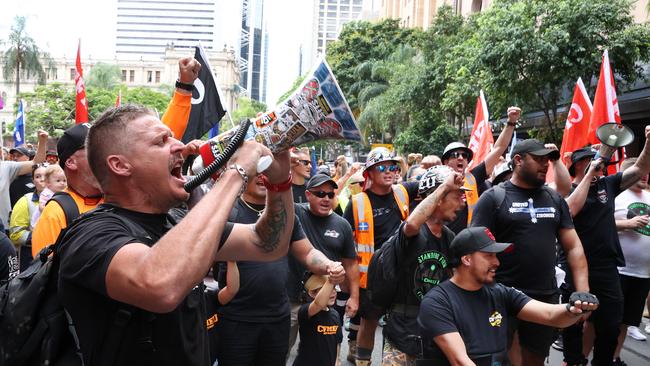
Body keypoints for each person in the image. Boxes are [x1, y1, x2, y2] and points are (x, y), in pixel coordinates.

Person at [57, 104, 295, 366]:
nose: (180, 146)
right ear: (120, 165)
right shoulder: (90, 235)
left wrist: (280, 181)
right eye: (161, 140)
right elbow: (161, 285)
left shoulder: (177, 221)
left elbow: (268, 243)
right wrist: (235, 173)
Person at [470, 139, 589, 366]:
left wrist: (584, 292)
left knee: (535, 357)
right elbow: (475, 246)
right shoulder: (493, 197)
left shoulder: (554, 199)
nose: (545, 165)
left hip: (544, 295)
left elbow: (573, 247)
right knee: (497, 357)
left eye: (547, 160)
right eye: (538, 159)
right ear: (518, 160)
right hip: (501, 293)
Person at [417, 226, 599, 366]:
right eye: (489, 256)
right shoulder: (437, 302)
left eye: (496, 256)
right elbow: (460, 361)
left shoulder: (500, 292)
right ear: (467, 259)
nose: (496, 262)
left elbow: (551, 315)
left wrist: (573, 309)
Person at [215, 173, 344, 366]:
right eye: (256, 171)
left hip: (277, 318)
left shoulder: (284, 216)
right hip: (237, 318)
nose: (262, 177)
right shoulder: (227, 212)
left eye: (267, 170)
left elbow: (307, 253)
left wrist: (329, 265)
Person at [563, 127, 650, 366]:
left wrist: (649, 143)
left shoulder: (608, 185)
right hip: (576, 267)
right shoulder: (567, 191)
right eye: (590, 161)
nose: (598, 163)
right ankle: (573, 361)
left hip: (607, 268)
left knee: (611, 323)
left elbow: (641, 168)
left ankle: (602, 361)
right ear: (578, 166)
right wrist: (591, 173)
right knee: (574, 319)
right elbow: (571, 209)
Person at [381, 165, 466, 365]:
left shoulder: (449, 238)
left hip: (434, 332)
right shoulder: (413, 231)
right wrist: (444, 187)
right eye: (456, 196)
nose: (461, 204)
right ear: (439, 198)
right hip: (401, 334)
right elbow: (411, 225)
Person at [343, 146, 419, 365]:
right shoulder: (356, 203)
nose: (389, 171)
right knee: (369, 322)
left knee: (401, 320)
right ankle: (363, 361)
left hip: (402, 272)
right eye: (382, 167)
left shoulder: (403, 191)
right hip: (372, 277)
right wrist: (351, 288)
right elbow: (346, 246)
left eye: (393, 167)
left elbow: (433, 184)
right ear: (370, 174)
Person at [291, 172, 359, 349]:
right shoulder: (295, 212)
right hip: (292, 297)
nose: (326, 198)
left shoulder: (342, 224)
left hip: (326, 299)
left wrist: (354, 297)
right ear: (308, 195)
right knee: (281, 349)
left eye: (330, 194)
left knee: (326, 349)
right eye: (320, 194)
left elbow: (351, 264)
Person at [31, 124, 103, 256]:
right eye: (95, 149)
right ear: (71, 162)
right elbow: (46, 272)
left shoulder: (121, 199)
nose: (104, 154)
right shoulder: (55, 212)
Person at [443, 107, 518, 234]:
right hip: (441, 244)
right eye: (455, 155)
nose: (461, 158)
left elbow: (498, 148)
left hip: (467, 245)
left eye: (464, 156)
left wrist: (511, 122)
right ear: (445, 161)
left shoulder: (472, 178)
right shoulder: (435, 182)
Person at [613, 158, 650, 362]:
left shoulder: (649, 196)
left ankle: (615, 357)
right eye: (641, 170)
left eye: (648, 171)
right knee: (608, 320)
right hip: (618, 271)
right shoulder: (616, 196)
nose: (645, 175)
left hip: (643, 274)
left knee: (626, 322)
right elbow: (601, 224)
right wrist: (627, 223)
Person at [0, 131, 48, 232]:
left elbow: (36, 162)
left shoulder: (5, 167)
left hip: (4, 229)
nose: (16, 158)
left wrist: (42, 141)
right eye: (14, 155)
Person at [293, 274, 341, 366]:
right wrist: (331, 280)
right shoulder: (305, 311)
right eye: (327, 289)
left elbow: (337, 341)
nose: (333, 292)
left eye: (334, 288)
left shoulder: (335, 315)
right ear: (312, 293)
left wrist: (337, 360)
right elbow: (318, 303)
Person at [9, 163, 47, 270]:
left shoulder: (61, 198)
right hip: (30, 254)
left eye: (45, 175)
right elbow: (16, 234)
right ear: (33, 181)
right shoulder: (25, 201)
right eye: (37, 176)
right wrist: (39, 237)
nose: (42, 179)